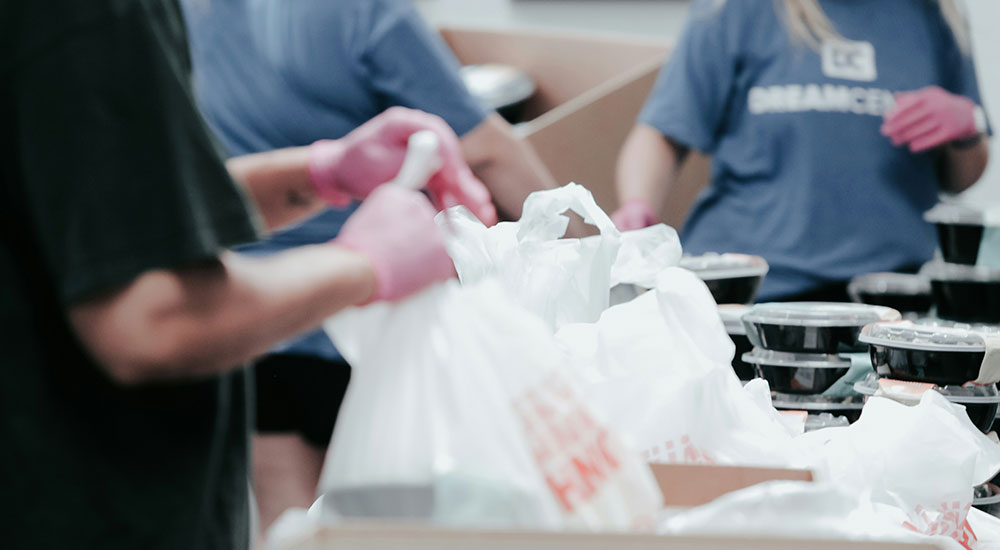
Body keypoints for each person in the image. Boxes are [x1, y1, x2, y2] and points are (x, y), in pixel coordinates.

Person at [1, 0, 494, 547]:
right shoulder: (98, 15)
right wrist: (364, 262)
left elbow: (120, 214)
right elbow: (151, 321)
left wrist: (321, 173)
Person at [178, 0, 563, 528]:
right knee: (390, 523)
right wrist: (592, 255)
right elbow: (486, 149)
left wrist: (328, 170)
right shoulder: (362, 10)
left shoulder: (182, 13)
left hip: (255, 315)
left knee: (287, 523)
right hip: (365, 321)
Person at [613, 0, 991, 302]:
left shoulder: (934, 14)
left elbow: (961, 179)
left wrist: (966, 129)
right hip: (751, 295)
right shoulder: (732, 10)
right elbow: (660, 136)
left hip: (891, 302)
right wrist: (638, 203)